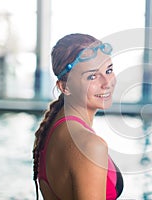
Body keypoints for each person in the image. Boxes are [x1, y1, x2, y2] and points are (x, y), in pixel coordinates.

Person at [32, 33, 123, 200]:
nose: (107, 82)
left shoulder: (54, 127)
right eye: (92, 76)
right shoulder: (89, 146)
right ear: (65, 86)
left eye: (108, 70)